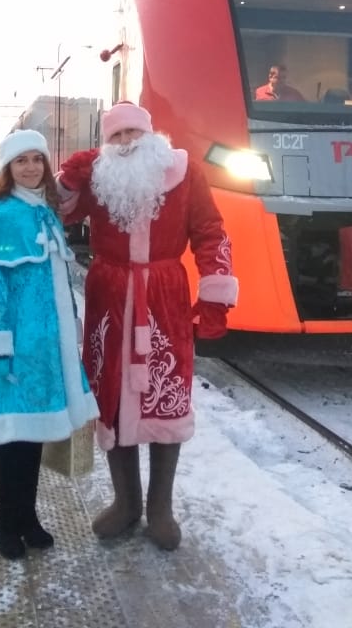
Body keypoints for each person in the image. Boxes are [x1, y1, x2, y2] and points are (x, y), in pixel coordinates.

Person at [56, 101, 237, 550]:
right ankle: (127, 503)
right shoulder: (98, 175)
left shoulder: (183, 171)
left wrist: (214, 297)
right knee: (113, 400)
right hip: (109, 298)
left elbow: (211, 232)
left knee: (166, 402)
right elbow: (57, 215)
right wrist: (67, 182)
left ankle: (160, 509)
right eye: (116, 136)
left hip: (164, 300)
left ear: (150, 134)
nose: (125, 143)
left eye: (133, 133)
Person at [0, 129, 99, 560]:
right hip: (16, 345)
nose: (30, 167)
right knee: (11, 439)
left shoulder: (46, 212)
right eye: (21, 160)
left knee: (34, 435)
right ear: (7, 168)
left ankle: (27, 517)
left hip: (48, 345)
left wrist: (71, 327)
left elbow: (59, 281)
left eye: (37, 159)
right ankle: (4, 521)